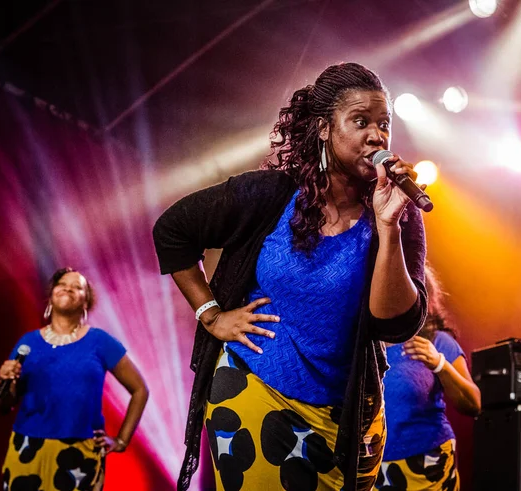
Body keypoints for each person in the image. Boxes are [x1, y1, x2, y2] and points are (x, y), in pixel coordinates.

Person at [153, 62, 428, 491]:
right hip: (256, 387)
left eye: (383, 124)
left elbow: (393, 325)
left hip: (346, 411)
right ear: (323, 129)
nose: (377, 135)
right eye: (360, 122)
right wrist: (210, 315)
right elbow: (172, 230)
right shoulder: (269, 195)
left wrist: (389, 228)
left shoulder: (394, 212)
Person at [0, 268, 149, 491]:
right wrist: (4, 382)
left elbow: (140, 390)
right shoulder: (28, 342)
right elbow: (2, 405)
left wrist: (121, 441)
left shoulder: (100, 341)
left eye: (77, 286)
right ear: (50, 296)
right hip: (26, 448)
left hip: (79, 452)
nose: (68, 288)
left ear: (86, 302)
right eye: (62, 283)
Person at [375, 264, 481, 491]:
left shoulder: (437, 341)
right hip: (374, 467)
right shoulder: (366, 345)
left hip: (427, 466)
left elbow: (474, 403)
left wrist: (440, 363)